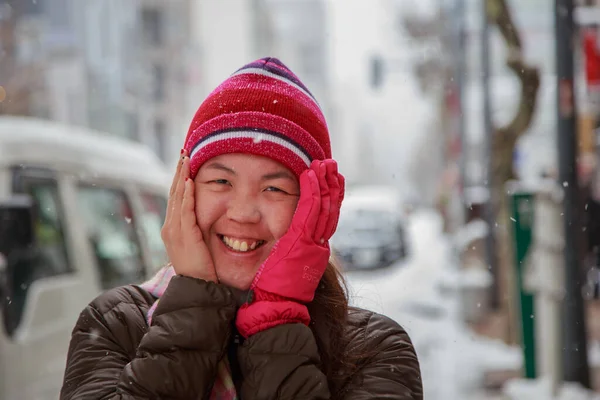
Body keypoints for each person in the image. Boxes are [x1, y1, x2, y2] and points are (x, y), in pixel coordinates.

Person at [60, 57, 423, 399]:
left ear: (312, 207)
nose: (243, 213)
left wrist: (276, 315)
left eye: (274, 188)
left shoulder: (374, 348)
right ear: (183, 190)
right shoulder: (112, 325)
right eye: (220, 182)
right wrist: (195, 307)